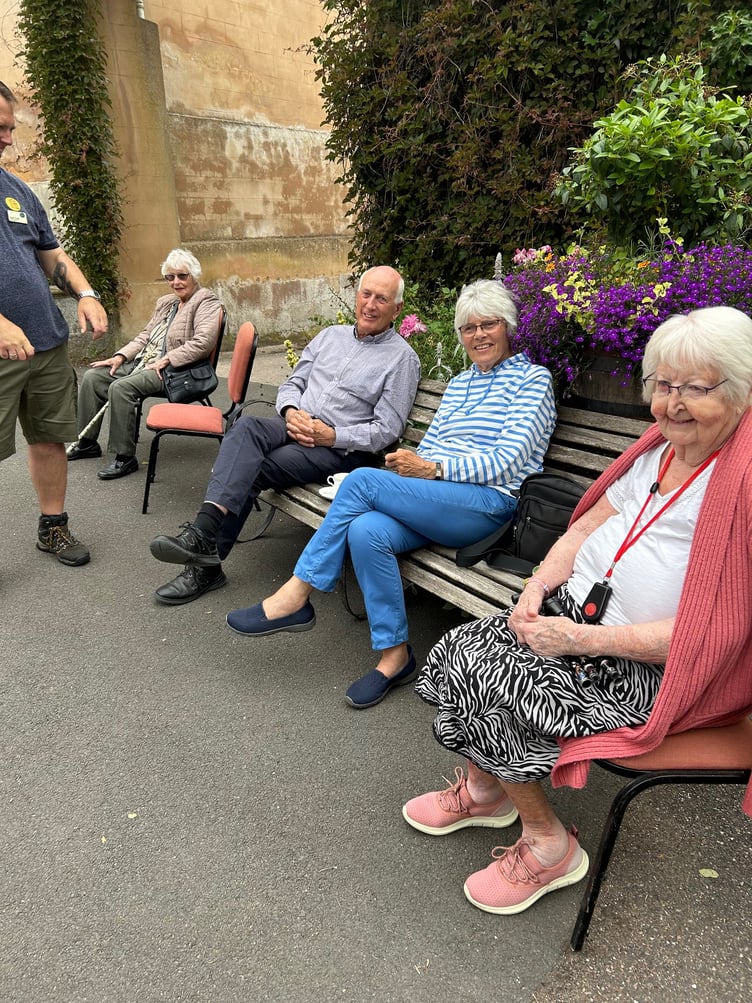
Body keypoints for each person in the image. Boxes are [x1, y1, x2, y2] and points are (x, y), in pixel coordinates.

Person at [401, 305, 752, 918]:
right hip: (573, 621)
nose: (672, 404)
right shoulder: (658, 453)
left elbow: (714, 634)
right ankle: (488, 791)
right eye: (663, 386)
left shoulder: (742, 481)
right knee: (457, 650)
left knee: (493, 679)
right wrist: (536, 585)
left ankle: (549, 845)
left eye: (696, 388)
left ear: (742, 388)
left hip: (645, 669)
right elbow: (588, 522)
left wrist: (578, 642)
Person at [225, 279, 558, 709]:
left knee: (362, 480)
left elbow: (508, 460)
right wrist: (410, 466)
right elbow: (433, 443)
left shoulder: (533, 381)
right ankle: (394, 656)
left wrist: (432, 469)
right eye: (468, 328)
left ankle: (297, 594)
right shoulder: (460, 383)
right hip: (437, 497)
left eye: (487, 325)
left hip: (489, 505)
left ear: (508, 327)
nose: (478, 335)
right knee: (366, 531)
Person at [148, 265, 421, 605]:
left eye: (382, 299)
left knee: (256, 465)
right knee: (246, 426)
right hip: (296, 424)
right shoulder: (330, 336)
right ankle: (203, 534)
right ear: (357, 296)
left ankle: (207, 562)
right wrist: (291, 412)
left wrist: (330, 435)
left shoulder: (402, 359)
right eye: (366, 294)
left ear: (396, 309)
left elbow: (386, 430)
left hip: (340, 451)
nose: (370, 304)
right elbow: (293, 384)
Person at [0, 81, 108, 567]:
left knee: (48, 437)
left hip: (43, 343)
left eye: (9, 127)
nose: (7, 138)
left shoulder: (17, 189)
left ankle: (53, 528)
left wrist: (83, 293)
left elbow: (50, 253)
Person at [68, 248, 221, 479]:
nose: (176, 282)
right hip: (144, 362)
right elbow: (145, 336)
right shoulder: (167, 303)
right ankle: (87, 442)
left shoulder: (205, 300)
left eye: (182, 276)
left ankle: (124, 457)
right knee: (93, 377)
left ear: (194, 275)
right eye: (170, 277)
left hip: (175, 370)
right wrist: (120, 356)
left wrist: (168, 358)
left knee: (121, 387)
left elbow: (203, 343)